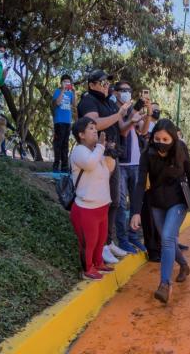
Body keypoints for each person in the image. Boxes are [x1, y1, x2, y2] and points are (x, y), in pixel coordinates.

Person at [130, 119, 190, 304]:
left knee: (168, 237)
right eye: (157, 138)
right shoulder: (147, 153)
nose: (161, 142)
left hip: (178, 201)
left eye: (165, 139)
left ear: (173, 139)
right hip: (156, 202)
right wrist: (135, 211)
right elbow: (140, 184)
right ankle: (184, 266)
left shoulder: (181, 150)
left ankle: (164, 284)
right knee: (166, 239)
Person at [77, 70, 132, 264]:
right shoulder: (88, 101)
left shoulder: (108, 102)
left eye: (107, 82)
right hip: (99, 156)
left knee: (115, 201)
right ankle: (100, 247)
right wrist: (118, 115)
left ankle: (108, 242)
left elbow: (119, 128)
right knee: (103, 202)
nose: (106, 85)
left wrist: (130, 120)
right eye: (102, 82)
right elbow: (95, 124)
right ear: (91, 84)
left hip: (113, 155)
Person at [69, 117, 116, 280]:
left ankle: (98, 263)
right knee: (89, 242)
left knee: (100, 239)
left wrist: (110, 152)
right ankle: (88, 269)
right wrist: (102, 146)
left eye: (95, 128)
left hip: (102, 206)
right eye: (91, 128)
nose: (95, 131)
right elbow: (89, 164)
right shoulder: (79, 151)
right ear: (81, 134)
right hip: (86, 208)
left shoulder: (97, 151)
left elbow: (109, 170)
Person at [114, 81, 151, 253]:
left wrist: (148, 112)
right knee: (121, 204)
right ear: (115, 93)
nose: (127, 93)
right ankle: (123, 239)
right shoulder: (115, 110)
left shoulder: (130, 110)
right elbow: (122, 130)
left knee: (136, 202)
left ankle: (133, 237)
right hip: (120, 164)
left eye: (129, 90)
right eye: (123, 90)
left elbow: (143, 131)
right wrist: (134, 114)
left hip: (136, 164)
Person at [52, 74, 76, 173]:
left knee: (65, 145)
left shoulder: (70, 93)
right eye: (65, 82)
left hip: (67, 122)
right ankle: (56, 166)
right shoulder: (57, 91)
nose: (67, 83)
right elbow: (57, 103)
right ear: (61, 83)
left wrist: (74, 92)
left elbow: (74, 105)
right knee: (58, 144)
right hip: (59, 121)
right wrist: (62, 90)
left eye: (68, 82)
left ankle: (65, 167)